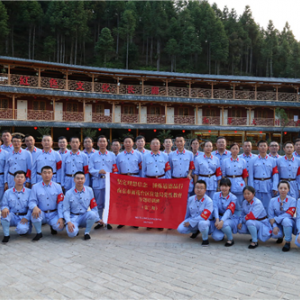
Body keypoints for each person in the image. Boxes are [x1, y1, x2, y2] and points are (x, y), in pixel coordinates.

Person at [89, 135, 118, 230]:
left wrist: (114, 180)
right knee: (99, 204)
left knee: (108, 203)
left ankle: (108, 221)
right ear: (97, 144)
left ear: (107, 143)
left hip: (109, 183)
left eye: (104, 141)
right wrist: (98, 172)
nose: (102, 143)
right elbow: (90, 169)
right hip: (97, 182)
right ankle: (100, 221)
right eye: (100, 141)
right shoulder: (93, 156)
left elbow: (115, 169)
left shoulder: (112, 155)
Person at [29, 166, 65, 241]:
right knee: (34, 215)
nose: (47, 175)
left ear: (52, 174)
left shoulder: (58, 187)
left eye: (49, 173)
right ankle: (39, 233)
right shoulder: (35, 187)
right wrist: (34, 207)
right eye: (44, 173)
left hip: (54, 213)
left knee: (60, 227)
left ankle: (52, 226)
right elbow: (32, 201)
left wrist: (61, 217)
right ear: (41, 174)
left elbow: (60, 203)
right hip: (42, 212)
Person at [63, 171, 99, 240]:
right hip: (73, 217)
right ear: (74, 180)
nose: (80, 180)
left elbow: (93, 206)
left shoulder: (89, 190)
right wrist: (68, 222)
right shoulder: (69, 193)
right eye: (78, 178)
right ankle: (76, 230)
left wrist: (97, 218)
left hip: (84, 216)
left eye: (82, 178)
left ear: (85, 180)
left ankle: (87, 233)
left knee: (92, 214)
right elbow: (66, 210)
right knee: (71, 234)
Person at [116, 136, 142, 229]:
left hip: (134, 179)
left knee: (134, 202)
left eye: (129, 142)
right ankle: (122, 221)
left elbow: (141, 169)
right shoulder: (119, 155)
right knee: (123, 202)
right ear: (123, 144)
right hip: (123, 180)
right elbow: (117, 170)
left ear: (133, 143)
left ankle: (134, 221)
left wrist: (141, 181)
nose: (127, 144)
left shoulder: (138, 155)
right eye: (126, 142)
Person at [177, 180, 213, 247]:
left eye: (201, 188)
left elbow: (203, 216)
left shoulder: (209, 201)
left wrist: (190, 222)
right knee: (180, 229)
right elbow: (188, 213)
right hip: (192, 219)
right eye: (197, 187)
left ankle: (205, 239)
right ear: (194, 189)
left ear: (205, 190)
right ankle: (195, 231)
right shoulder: (191, 199)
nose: (199, 190)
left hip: (204, 221)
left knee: (202, 223)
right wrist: (186, 221)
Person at [1, 171, 31, 243]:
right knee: (4, 216)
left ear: (25, 179)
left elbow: (31, 207)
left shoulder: (30, 192)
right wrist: (5, 208)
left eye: (21, 177)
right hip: (12, 215)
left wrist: (27, 217)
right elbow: (4, 204)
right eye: (17, 177)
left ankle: (24, 228)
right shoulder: (8, 192)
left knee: (22, 230)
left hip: (23, 217)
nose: (19, 179)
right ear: (14, 179)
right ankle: (6, 235)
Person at [248, 140, 279, 211]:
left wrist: (275, 187)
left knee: (268, 205)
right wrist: (251, 189)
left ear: (267, 147)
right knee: (256, 205)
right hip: (257, 185)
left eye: (264, 146)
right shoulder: (252, 160)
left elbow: (275, 174)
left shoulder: (273, 160)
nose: (263, 147)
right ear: (258, 148)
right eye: (261, 146)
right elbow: (250, 176)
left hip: (268, 185)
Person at [268, 181, 296, 252]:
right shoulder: (272, 200)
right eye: (281, 188)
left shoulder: (292, 200)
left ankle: (287, 242)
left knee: (286, 220)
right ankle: (280, 236)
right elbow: (271, 216)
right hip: (277, 223)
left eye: (285, 188)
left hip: (289, 222)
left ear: (288, 189)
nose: (283, 190)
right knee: (275, 234)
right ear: (278, 189)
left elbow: (289, 214)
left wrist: (275, 219)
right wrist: (274, 226)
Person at [222, 143, 248, 215]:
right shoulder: (225, 161)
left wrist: (246, 185)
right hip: (229, 181)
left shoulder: (242, 161)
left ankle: (239, 216)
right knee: (229, 200)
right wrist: (223, 185)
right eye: (233, 148)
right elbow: (223, 174)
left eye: (236, 148)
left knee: (239, 201)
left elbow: (245, 174)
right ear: (230, 150)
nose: (235, 150)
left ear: (239, 150)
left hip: (239, 181)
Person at [211, 178, 238, 246]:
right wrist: (217, 220)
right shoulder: (215, 195)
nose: (224, 188)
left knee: (224, 224)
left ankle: (230, 239)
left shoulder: (233, 197)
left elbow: (229, 211)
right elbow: (215, 208)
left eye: (226, 186)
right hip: (218, 217)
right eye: (222, 186)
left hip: (229, 218)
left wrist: (222, 221)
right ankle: (223, 233)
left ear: (229, 187)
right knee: (216, 237)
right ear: (219, 187)